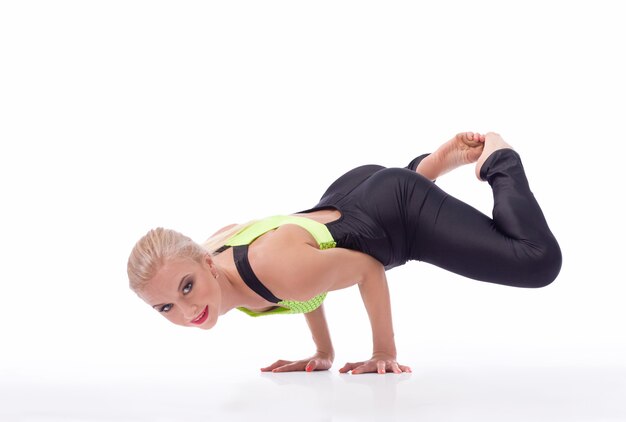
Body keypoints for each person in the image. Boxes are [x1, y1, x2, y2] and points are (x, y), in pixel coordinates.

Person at [127, 132, 562, 375]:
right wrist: (323, 352)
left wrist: (382, 352)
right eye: (165, 306)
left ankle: (498, 160)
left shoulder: (268, 266)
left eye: (187, 288)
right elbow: (307, 286)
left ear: (204, 264)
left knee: (537, 261)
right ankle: (422, 171)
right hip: (353, 195)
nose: (187, 311)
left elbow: (367, 269)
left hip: (396, 216)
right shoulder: (210, 258)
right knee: (365, 222)